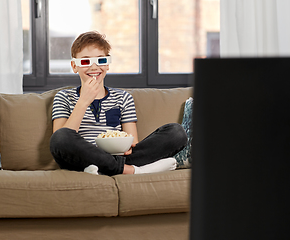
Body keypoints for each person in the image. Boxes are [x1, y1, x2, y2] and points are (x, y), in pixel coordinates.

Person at [50, 31, 187, 176]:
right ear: (74, 66)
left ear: (108, 65)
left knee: (176, 132)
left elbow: (132, 142)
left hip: (119, 156)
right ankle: (129, 170)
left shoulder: (123, 98)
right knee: (60, 138)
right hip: (81, 156)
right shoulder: (64, 97)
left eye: (101, 60)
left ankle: (104, 168)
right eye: (85, 61)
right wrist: (84, 101)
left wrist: (125, 146)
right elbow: (61, 137)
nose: (94, 67)